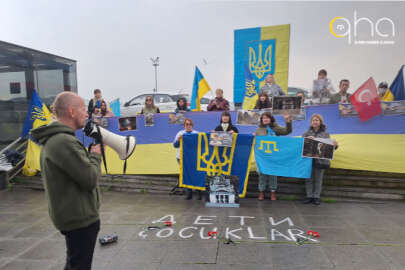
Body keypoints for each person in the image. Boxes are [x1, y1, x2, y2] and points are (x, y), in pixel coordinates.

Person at [31, 92, 102, 270]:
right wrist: (95, 155)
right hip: (80, 218)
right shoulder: (63, 141)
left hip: (72, 215)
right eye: (84, 109)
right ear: (71, 111)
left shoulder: (58, 139)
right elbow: (90, 179)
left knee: (74, 263)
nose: (87, 114)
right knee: (79, 265)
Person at [254, 112, 292, 201]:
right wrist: (253, 137)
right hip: (263, 156)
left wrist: (288, 121)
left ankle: (273, 192)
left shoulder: (276, 128)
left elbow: (287, 131)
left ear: (271, 119)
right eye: (263, 118)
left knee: (273, 174)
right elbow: (256, 142)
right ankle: (261, 192)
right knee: (262, 174)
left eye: (267, 118)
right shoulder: (259, 130)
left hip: (273, 156)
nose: (265, 119)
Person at [302, 114, 338, 205]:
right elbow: (300, 145)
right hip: (308, 160)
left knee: (318, 179)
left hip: (320, 160)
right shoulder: (306, 133)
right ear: (311, 122)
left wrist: (335, 145)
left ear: (320, 122)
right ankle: (309, 196)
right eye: (313, 120)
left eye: (317, 120)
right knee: (308, 179)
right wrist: (306, 139)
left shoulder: (325, 134)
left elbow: (329, 148)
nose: (315, 122)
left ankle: (316, 197)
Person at [173, 118, 200, 200]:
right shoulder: (180, 133)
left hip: (193, 158)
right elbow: (175, 145)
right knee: (186, 175)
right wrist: (179, 139)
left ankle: (198, 192)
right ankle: (189, 193)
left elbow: (200, 145)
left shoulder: (196, 133)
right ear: (184, 125)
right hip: (181, 158)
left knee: (195, 175)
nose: (188, 126)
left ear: (192, 125)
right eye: (186, 124)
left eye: (190, 124)